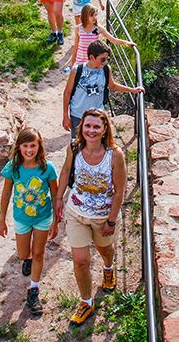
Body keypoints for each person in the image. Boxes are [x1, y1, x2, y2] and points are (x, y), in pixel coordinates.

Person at [54, 108, 127, 326]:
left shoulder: (115, 155)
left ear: (105, 129)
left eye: (96, 126)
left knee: (105, 249)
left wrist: (112, 220)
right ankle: (86, 302)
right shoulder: (74, 147)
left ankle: (108, 267)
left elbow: (121, 190)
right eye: (88, 126)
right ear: (81, 128)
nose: (91, 130)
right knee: (80, 260)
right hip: (76, 212)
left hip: (103, 216)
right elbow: (66, 171)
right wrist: (59, 199)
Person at [0, 127, 59, 317]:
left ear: (39, 146)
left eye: (33, 146)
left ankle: (34, 290)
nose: (29, 150)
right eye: (25, 146)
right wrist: (2, 219)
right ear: (19, 147)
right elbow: (6, 192)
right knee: (24, 253)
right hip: (22, 218)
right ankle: (28, 259)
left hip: (42, 217)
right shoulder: (13, 167)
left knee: (39, 253)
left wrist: (56, 221)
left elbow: (56, 195)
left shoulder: (47, 168)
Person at [62, 40, 143, 139]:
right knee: (78, 144)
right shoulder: (77, 70)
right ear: (92, 57)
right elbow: (67, 93)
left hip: (98, 114)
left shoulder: (106, 69)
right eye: (103, 59)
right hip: (78, 115)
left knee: (98, 143)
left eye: (107, 59)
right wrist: (66, 116)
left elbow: (112, 86)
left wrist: (132, 90)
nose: (105, 62)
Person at [65, 4, 135, 74]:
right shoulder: (78, 29)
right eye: (92, 15)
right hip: (80, 61)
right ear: (85, 15)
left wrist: (125, 42)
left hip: (93, 61)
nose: (94, 17)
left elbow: (112, 39)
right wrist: (72, 63)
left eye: (96, 15)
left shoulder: (98, 29)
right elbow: (76, 46)